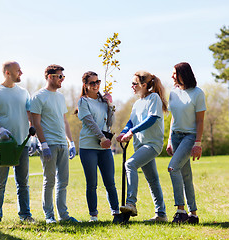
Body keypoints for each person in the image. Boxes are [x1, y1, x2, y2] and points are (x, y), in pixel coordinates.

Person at [0, 61, 35, 224]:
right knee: (0, 182)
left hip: (22, 144)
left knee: (23, 182)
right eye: (18, 70)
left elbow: (30, 115)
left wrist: (32, 132)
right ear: (7, 72)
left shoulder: (24, 92)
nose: (21, 72)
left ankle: (25, 215)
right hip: (4, 146)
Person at [116, 70, 168, 222]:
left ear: (144, 85)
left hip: (152, 144)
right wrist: (124, 132)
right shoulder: (137, 103)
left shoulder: (154, 98)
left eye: (134, 83)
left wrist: (131, 132)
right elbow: (131, 122)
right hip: (140, 146)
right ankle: (161, 214)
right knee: (153, 180)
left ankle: (131, 203)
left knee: (130, 164)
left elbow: (152, 119)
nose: (132, 86)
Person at [30, 64, 78, 224]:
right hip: (48, 144)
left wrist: (71, 142)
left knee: (63, 181)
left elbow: (64, 121)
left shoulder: (60, 96)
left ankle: (63, 215)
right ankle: (49, 216)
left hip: (62, 144)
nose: (62, 80)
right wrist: (43, 144)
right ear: (50, 77)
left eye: (63, 77)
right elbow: (36, 123)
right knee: (49, 180)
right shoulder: (38, 97)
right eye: (60, 76)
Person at [76, 71, 122, 223]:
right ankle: (93, 216)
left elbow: (110, 122)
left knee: (110, 181)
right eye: (92, 83)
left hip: (104, 147)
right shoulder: (83, 102)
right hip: (88, 146)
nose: (96, 85)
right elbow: (89, 122)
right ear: (85, 85)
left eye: (98, 82)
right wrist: (101, 137)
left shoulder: (103, 101)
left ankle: (116, 213)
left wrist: (110, 104)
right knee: (92, 183)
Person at [166, 62, 206, 224]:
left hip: (190, 137)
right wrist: (169, 139)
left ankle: (180, 211)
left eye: (174, 73)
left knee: (173, 168)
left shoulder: (198, 93)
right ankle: (193, 214)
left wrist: (198, 143)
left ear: (184, 74)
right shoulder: (173, 93)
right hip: (175, 136)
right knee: (186, 175)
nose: (172, 76)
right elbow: (173, 117)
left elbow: (200, 121)